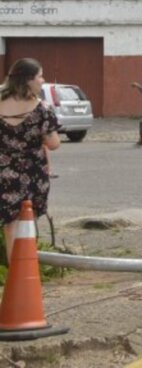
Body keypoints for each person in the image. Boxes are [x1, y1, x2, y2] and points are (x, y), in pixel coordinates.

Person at [0, 58, 61, 262]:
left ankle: (13, 277)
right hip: (32, 173)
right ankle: (26, 274)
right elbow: (53, 143)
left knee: (10, 225)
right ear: (28, 80)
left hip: (3, 173)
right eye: (40, 76)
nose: (42, 80)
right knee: (26, 224)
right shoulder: (41, 109)